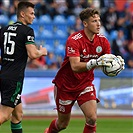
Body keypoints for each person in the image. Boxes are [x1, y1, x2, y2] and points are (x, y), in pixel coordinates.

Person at [44, 7, 124, 133]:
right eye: (94, 21)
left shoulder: (103, 41)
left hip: (85, 84)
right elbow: (75, 66)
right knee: (62, 124)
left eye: (99, 20)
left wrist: (114, 66)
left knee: (92, 118)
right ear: (85, 24)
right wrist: (95, 62)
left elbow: (105, 64)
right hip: (66, 86)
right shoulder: (74, 40)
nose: (98, 24)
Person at [0, 1, 47, 133]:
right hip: (14, 79)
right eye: (31, 13)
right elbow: (32, 54)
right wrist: (42, 52)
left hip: (4, 75)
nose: (34, 16)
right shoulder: (27, 31)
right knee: (4, 115)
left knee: (17, 114)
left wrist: (5, 60)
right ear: (22, 14)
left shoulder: (4, 29)